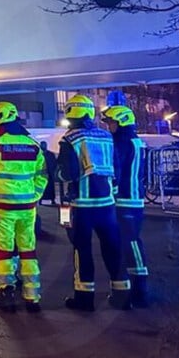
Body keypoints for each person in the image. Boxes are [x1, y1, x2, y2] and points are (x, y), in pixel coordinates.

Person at [56, 95, 131, 311]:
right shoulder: (106, 136)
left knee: (82, 251)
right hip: (107, 205)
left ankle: (84, 298)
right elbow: (116, 169)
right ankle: (122, 294)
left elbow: (66, 173)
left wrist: (56, 170)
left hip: (82, 206)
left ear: (70, 113)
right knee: (112, 249)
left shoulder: (70, 139)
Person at [0, 102, 47, 313]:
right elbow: (42, 175)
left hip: (3, 208)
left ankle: (7, 293)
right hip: (27, 208)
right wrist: (33, 196)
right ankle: (32, 296)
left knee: (5, 251)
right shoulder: (32, 144)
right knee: (28, 251)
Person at [103, 106, 150, 308]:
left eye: (111, 122)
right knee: (130, 243)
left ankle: (139, 291)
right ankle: (137, 289)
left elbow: (117, 171)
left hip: (124, 200)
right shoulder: (137, 142)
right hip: (135, 198)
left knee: (130, 244)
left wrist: (110, 193)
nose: (109, 126)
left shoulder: (121, 143)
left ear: (121, 122)